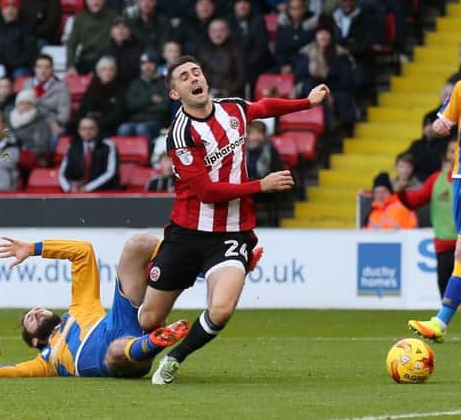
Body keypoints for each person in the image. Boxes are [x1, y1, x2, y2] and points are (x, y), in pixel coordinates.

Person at [136, 55, 329, 385]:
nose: (194, 77)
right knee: (149, 320)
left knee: (221, 309)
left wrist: (306, 102)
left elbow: (263, 107)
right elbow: (207, 192)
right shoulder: (180, 134)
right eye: (184, 76)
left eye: (196, 71)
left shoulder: (233, 109)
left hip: (232, 233)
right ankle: (125, 334)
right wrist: (261, 185)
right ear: (174, 94)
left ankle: (174, 358)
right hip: (186, 233)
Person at [0, 233, 192, 379]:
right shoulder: (48, 361)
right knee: (115, 351)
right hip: (120, 357)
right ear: (36, 340)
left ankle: (188, 258)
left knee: (137, 245)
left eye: (35, 309)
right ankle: (157, 340)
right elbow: (12, 370)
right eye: (31, 318)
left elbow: (83, 251)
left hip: (121, 320)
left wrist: (34, 248)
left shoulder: (79, 306)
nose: (35, 311)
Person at [409, 76, 461, 343]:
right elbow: (441, 121)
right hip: (460, 178)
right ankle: (441, 321)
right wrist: (440, 125)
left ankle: (440, 321)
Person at [396, 140, 456, 298]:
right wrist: (402, 193)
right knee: (445, 291)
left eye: (459, 150)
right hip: (444, 245)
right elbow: (415, 201)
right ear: (446, 156)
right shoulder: (436, 179)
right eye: (452, 150)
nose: (455, 154)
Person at [117, 51, 169, 142]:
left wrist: (141, 106)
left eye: (150, 63)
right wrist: (150, 100)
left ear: (156, 64)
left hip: (156, 121)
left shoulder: (164, 83)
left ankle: (148, 155)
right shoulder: (135, 83)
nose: (147, 67)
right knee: (123, 128)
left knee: (142, 128)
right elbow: (130, 106)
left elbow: (164, 107)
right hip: (135, 121)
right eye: (143, 64)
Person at [59, 116, 119, 192]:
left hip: (104, 192)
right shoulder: (73, 146)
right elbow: (62, 173)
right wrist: (68, 189)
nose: (87, 132)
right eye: (84, 129)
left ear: (97, 129)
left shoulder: (108, 145)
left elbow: (110, 172)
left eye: (91, 128)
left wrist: (87, 188)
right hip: (77, 191)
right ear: (78, 130)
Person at [71, 55, 125, 136]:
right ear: (98, 72)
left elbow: (117, 115)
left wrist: (95, 124)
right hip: (88, 124)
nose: (107, 72)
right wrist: (83, 122)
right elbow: (82, 109)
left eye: (111, 70)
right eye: (104, 70)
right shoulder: (92, 88)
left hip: (107, 126)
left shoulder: (120, 89)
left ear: (115, 72)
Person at [0, 0, 37, 79]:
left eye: (13, 7)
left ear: (18, 9)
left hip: (19, 66)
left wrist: (11, 64)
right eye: (6, 7)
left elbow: (29, 53)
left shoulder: (26, 27)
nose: (10, 11)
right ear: (1, 9)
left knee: (19, 74)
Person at [66, 0, 117, 75]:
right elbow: (72, 43)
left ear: (103, 0)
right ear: (86, 0)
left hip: (107, 58)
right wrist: (70, 65)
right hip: (86, 58)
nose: (95, 2)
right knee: (72, 78)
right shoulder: (80, 17)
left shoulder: (113, 16)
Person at [22, 54, 71, 139]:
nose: (43, 71)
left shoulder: (62, 87)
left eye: (47, 67)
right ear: (35, 69)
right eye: (39, 67)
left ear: (52, 70)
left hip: (53, 124)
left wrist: (55, 123)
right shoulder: (27, 84)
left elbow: (64, 113)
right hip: (30, 122)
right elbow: (22, 108)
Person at [197, 18, 245, 98]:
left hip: (231, 94)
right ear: (209, 33)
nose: (218, 34)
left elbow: (241, 77)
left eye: (221, 30)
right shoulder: (202, 50)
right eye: (214, 31)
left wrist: (227, 92)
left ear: (228, 32)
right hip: (207, 93)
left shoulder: (237, 50)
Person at [9, 89, 53, 167]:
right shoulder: (9, 119)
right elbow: (3, 138)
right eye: (21, 103)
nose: (24, 106)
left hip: (32, 159)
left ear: (33, 105)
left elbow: (42, 147)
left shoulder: (41, 123)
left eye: (28, 103)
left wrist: (21, 154)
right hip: (12, 156)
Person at [98, 16, 142, 86]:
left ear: (129, 31)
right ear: (111, 32)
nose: (120, 30)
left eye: (124, 27)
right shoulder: (104, 52)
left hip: (130, 90)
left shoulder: (137, 52)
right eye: (117, 27)